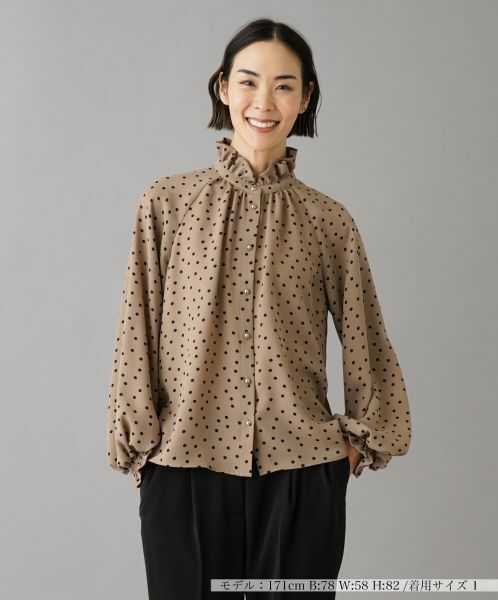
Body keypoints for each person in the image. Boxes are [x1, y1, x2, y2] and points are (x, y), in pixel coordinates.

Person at [106, 17, 412, 600]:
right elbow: (135, 331)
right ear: (223, 88)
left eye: (283, 85)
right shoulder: (167, 204)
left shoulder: (328, 221)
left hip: (301, 473)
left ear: (306, 97)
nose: (264, 102)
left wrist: (349, 453)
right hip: (185, 466)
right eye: (248, 81)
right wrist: (144, 451)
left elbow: (366, 337)